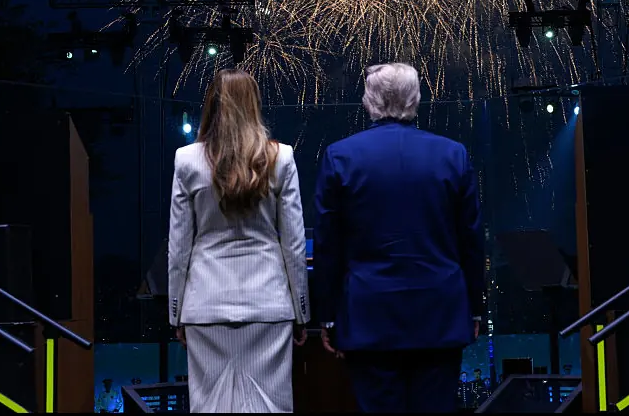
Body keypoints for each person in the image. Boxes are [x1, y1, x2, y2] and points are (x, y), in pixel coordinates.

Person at [313, 62, 485, 413]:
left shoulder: (340, 156)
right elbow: (471, 239)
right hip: (440, 313)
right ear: (416, 98)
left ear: (369, 101)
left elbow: (328, 244)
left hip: (368, 314)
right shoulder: (454, 155)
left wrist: (328, 315)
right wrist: (475, 308)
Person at [168, 69, 310, 413]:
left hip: (205, 306)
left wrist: (176, 314)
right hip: (269, 304)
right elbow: (293, 245)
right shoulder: (282, 157)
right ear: (254, 105)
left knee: (211, 406)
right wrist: (302, 312)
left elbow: (178, 249)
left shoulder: (187, 160)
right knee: (270, 407)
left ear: (212, 105)